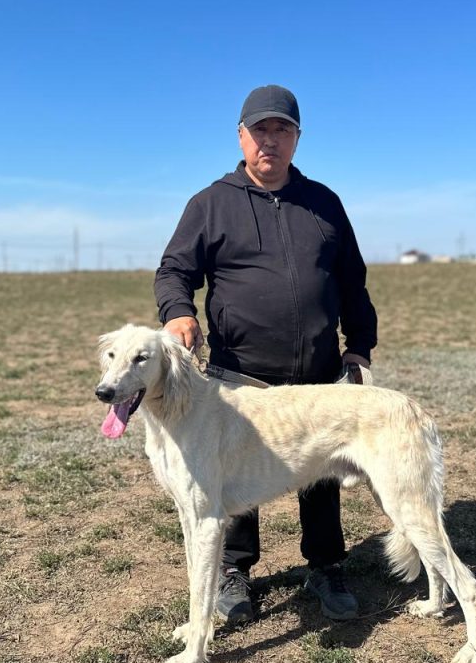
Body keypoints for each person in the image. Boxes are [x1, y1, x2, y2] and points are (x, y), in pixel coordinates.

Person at [154, 84, 378, 624]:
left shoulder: (324, 202)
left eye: (282, 130)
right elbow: (174, 270)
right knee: (231, 472)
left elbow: (352, 280)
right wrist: (179, 312)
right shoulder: (211, 203)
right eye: (260, 130)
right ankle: (235, 572)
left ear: (298, 138)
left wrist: (358, 347)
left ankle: (326, 565)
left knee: (320, 470)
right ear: (241, 136)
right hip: (242, 373)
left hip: (316, 371)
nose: (270, 141)